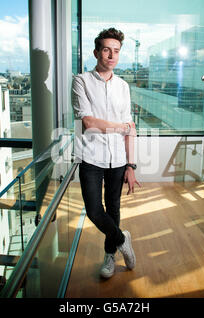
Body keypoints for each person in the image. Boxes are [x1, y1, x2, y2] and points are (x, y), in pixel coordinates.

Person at [71, 27, 141, 279]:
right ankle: (123, 239)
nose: (112, 55)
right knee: (93, 210)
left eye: (116, 51)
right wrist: (120, 126)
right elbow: (89, 123)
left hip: (118, 160)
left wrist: (131, 166)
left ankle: (110, 255)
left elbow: (129, 128)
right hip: (90, 156)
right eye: (106, 50)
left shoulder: (123, 86)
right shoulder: (81, 81)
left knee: (113, 207)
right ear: (96, 52)